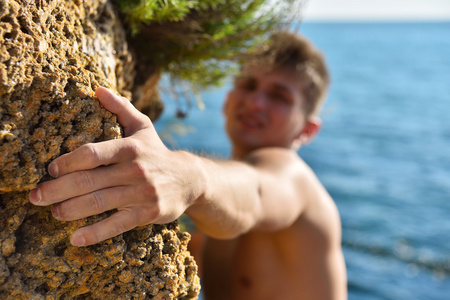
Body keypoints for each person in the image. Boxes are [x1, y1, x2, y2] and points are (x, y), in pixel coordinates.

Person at [29, 31, 347, 299]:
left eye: (280, 96)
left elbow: (258, 192)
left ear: (308, 130)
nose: (255, 102)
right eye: (248, 85)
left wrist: (188, 177)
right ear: (228, 98)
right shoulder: (217, 221)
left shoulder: (294, 180)